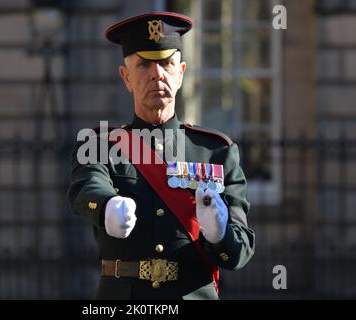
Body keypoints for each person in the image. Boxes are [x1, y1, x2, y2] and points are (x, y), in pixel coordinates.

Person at [67, 12, 255, 300]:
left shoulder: (216, 150)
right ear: (126, 77)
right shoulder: (100, 146)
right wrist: (107, 205)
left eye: (167, 64)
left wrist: (219, 235)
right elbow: (86, 186)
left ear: (181, 73)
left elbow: (239, 252)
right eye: (143, 65)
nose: (157, 74)